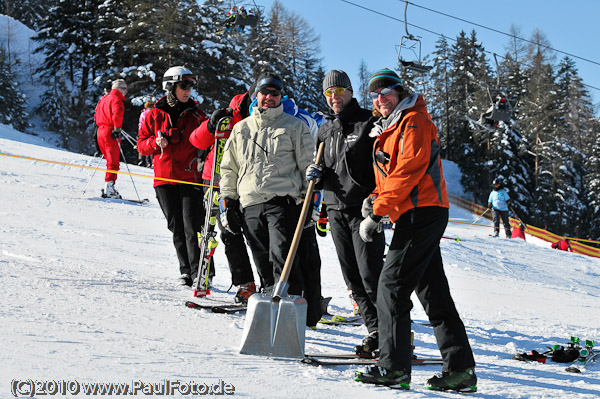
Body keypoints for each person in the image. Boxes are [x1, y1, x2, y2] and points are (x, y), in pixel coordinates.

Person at [354, 69, 476, 392]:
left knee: (391, 285)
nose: (381, 99)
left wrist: (378, 212)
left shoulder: (413, 121)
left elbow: (409, 170)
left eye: (386, 92)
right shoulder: (389, 129)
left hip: (423, 212)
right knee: (432, 291)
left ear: (399, 92)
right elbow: (392, 178)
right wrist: (373, 201)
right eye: (375, 96)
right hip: (416, 212)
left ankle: (393, 368)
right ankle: (460, 370)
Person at [219, 72, 317, 324]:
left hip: (282, 201)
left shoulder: (295, 126)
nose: (269, 98)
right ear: (256, 96)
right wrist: (228, 201)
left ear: (281, 97)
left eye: (275, 93)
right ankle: (269, 307)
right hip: (250, 203)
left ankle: (290, 310)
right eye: (265, 93)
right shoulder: (241, 129)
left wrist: (310, 202)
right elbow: (229, 168)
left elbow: (309, 167)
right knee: (261, 257)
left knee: (282, 255)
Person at [306, 69, 384, 352]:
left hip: (363, 210)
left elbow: (382, 163)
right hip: (336, 209)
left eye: (339, 91)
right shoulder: (325, 130)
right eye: (329, 93)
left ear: (350, 92)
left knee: (370, 274)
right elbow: (323, 168)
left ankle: (393, 333)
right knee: (352, 278)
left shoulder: (367, 121)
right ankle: (375, 330)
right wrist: (315, 175)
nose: (334, 97)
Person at [137, 66, 208, 287]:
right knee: (176, 226)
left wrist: (203, 161)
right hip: (165, 179)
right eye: (183, 85)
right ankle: (186, 271)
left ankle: (199, 272)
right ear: (170, 86)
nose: (188, 90)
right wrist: (155, 143)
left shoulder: (197, 115)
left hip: (189, 177)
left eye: (190, 86)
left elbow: (209, 140)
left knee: (192, 225)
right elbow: (141, 145)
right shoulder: (154, 114)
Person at [190, 90, 257, 303]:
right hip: (216, 180)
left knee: (257, 233)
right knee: (229, 232)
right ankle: (245, 283)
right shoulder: (230, 116)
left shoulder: (264, 119)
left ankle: (269, 282)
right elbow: (196, 141)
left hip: (248, 183)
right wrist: (211, 124)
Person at [94, 79, 128, 198]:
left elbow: (96, 112)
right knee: (113, 162)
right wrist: (117, 129)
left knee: (110, 160)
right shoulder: (116, 99)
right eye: (123, 88)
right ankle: (110, 187)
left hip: (100, 130)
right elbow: (117, 114)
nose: (125, 91)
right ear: (117, 89)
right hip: (109, 131)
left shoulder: (104, 98)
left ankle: (109, 185)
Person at [137, 100, 155, 168]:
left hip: (152, 131)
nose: (151, 108)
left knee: (151, 146)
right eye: (150, 106)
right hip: (145, 131)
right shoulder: (144, 114)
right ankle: (144, 161)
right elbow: (141, 123)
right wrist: (140, 130)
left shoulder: (154, 113)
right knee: (145, 146)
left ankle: (152, 162)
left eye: (152, 106)